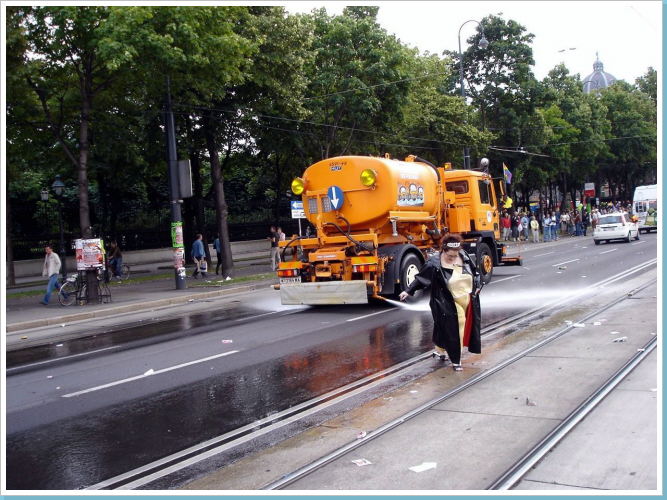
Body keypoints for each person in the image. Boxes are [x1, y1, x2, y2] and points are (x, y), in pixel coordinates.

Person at [398, 233, 483, 371]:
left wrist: (478, 285)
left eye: (455, 255)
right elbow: (421, 278)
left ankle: (440, 349)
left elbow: (475, 272)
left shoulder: (464, 255)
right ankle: (456, 359)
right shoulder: (434, 263)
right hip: (446, 301)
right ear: (443, 250)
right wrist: (408, 291)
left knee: (443, 326)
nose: (453, 258)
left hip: (467, 298)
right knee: (457, 325)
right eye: (450, 256)